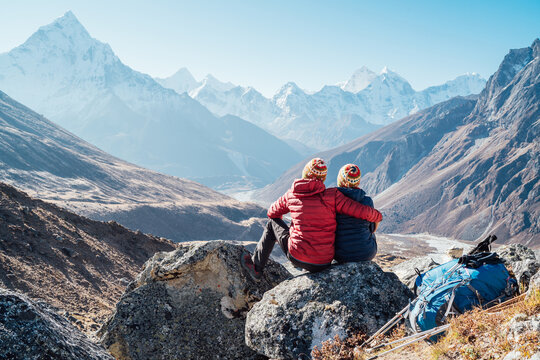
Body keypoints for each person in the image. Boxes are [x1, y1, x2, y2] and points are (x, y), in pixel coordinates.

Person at [241, 158, 383, 280]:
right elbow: (360, 211)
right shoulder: (332, 195)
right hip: (325, 261)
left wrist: (295, 226)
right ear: (323, 178)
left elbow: (272, 213)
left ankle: (256, 267)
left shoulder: (292, 195)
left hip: (298, 257)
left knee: (272, 224)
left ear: (305, 174)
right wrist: (377, 216)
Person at [334, 164, 378, 263]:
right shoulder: (367, 201)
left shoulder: (333, 200)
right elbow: (372, 228)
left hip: (340, 254)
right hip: (366, 253)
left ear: (340, 180)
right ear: (357, 182)